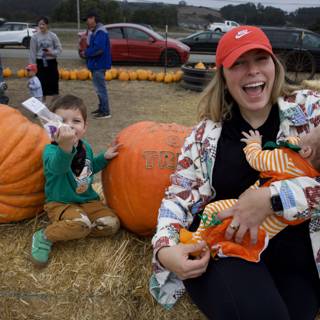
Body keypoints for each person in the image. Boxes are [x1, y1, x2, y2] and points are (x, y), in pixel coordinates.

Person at [149, 25, 320, 319]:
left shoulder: (309, 113)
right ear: (223, 75)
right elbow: (176, 199)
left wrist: (272, 198)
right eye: (239, 63)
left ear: (274, 66)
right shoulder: (204, 136)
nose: (252, 71)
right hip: (224, 247)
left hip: (295, 253)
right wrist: (164, 250)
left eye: (260, 59)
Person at [180, 127, 320, 262]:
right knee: (234, 234)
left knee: (213, 210)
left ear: (306, 151)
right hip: (268, 232)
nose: (302, 133)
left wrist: (253, 144)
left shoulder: (284, 159)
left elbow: (256, 159)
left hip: (248, 210)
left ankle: (197, 242)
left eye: (308, 132)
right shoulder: (312, 179)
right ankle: (221, 248)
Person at [31, 94, 120, 267]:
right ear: (52, 126)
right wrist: (65, 147)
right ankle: (44, 236)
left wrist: (104, 157)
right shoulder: (50, 151)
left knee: (112, 224)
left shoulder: (85, 147)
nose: (69, 125)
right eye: (62, 120)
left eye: (76, 121)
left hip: (87, 201)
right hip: (61, 203)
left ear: (85, 127)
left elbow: (88, 168)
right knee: (80, 223)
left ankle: (81, 228)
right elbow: (58, 167)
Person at [81, 11, 112, 119]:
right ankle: (101, 108)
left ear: (93, 18)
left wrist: (86, 53)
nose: (87, 23)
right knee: (98, 88)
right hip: (95, 64)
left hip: (99, 64)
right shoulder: (95, 31)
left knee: (100, 88)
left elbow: (99, 49)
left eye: (87, 20)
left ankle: (105, 111)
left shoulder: (100, 31)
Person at [29, 16, 62, 105]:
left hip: (51, 63)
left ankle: (53, 105)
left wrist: (52, 52)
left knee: (53, 85)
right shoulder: (35, 37)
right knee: (40, 85)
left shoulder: (53, 36)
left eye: (43, 24)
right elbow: (32, 53)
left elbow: (59, 49)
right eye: (39, 24)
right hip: (40, 63)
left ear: (47, 25)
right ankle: (41, 106)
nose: (41, 26)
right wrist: (32, 68)